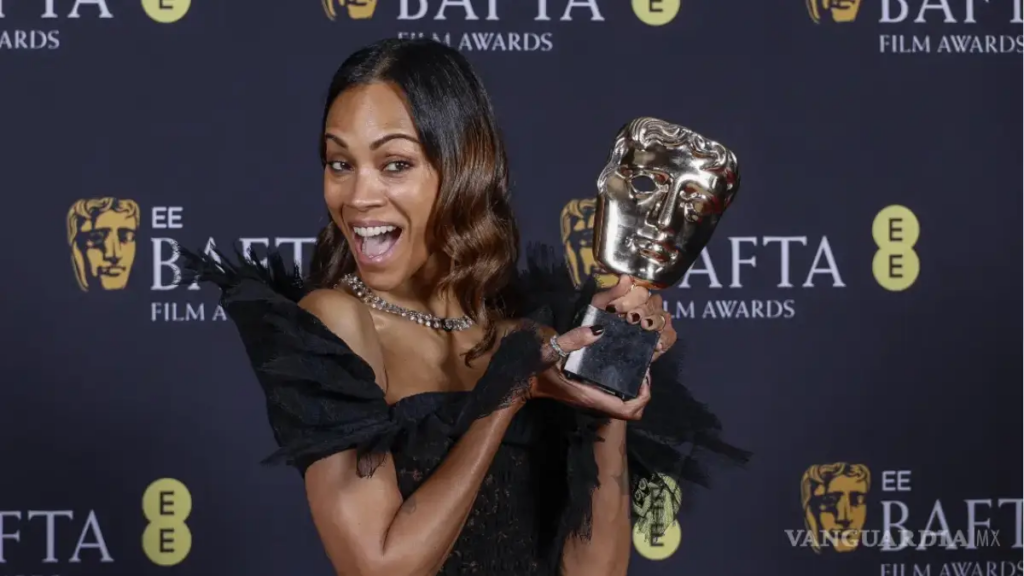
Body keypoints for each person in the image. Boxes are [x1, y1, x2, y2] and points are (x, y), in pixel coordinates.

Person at [181, 38, 748, 576]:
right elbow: (380, 566)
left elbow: (596, 569)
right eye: (339, 163)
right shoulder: (339, 322)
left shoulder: (528, 335)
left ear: (463, 165)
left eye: (395, 164)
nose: (358, 197)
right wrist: (508, 391)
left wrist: (607, 380)